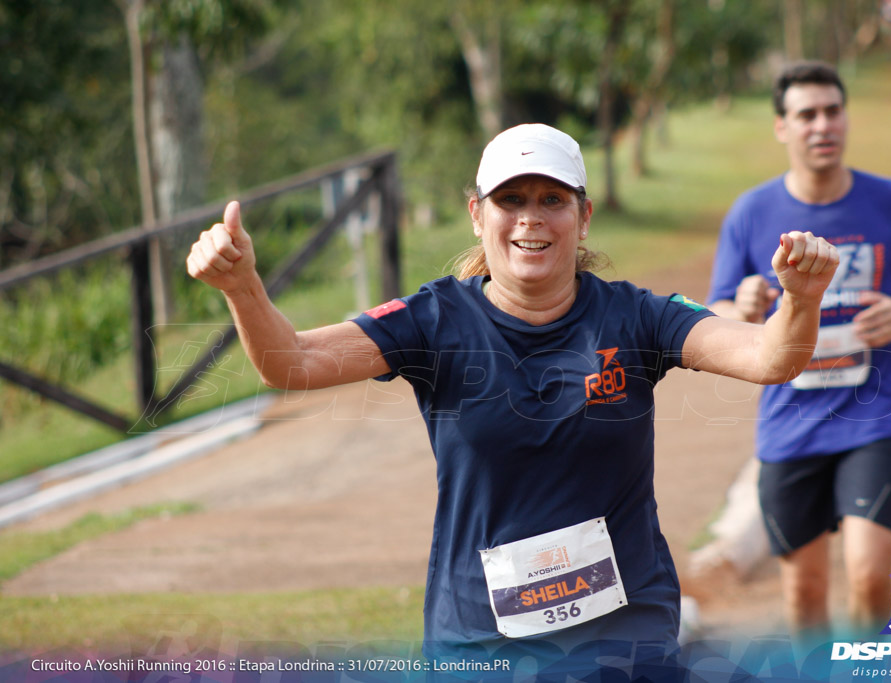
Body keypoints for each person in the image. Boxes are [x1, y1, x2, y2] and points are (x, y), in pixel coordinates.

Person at [187, 123, 839, 676]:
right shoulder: (432, 321)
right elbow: (290, 361)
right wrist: (243, 287)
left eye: (551, 199)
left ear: (582, 216)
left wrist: (801, 301)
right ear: (478, 213)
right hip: (480, 642)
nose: (530, 216)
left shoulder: (637, 318)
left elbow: (769, 357)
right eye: (511, 199)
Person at [707, 62, 891, 639]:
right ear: (781, 128)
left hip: (874, 417)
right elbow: (715, 309)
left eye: (832, 111)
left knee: (869, 578)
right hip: (790, 427)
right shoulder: (751, 213)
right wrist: (741, 304)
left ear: (846, 117)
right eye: (806, 114)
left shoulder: (888, 201)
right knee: (806, 590)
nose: (823, 125)